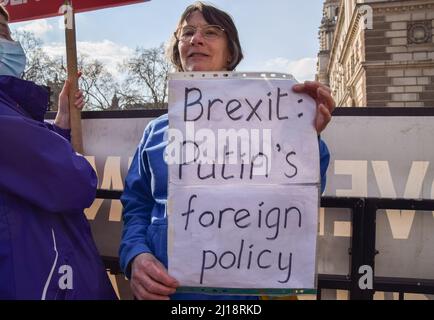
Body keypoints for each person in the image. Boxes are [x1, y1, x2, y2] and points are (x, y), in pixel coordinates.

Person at [120, 1, 334, 300]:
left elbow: (300, 197)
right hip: (170, 294)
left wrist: (306, 138)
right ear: (177, 48)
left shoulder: (273, 123)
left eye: (210, 32)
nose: (196, 39)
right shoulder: (155, 131)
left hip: (249, 296)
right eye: (188, 32)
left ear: (230, 52)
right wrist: (135, 256)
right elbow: (137, 205)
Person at [0, 4, 117, 300]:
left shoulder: (12, 112)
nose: (10, 42)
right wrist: (70, 157)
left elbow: (27, 170)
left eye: (8, 31)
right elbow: (76, 182)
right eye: (1, 32)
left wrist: (62, 122)